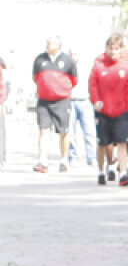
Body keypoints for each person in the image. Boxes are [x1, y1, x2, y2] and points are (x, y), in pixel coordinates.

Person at [90, 32, 128, 187]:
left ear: (121, 50)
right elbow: (93, 85)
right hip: (103, 110)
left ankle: (123, 172)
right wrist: (96, 100)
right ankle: (102, 171)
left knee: (122, 142)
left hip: (121, 111)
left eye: (115, 49)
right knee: (103, 143)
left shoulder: (126, 66)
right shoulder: (99, 64)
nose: (112, 52)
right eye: (110, 48)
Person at [32, 36, 77, 173]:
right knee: (43, 129)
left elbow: (74, 79)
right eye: (47, 43)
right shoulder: (40, 59)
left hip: (62, 100)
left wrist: (61, 89)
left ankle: (64, 160)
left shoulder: (67, 60)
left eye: (50, 43)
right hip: (44, 100)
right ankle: (43, 160)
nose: (47, 45)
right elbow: (35, 77)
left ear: (58, 45)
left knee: (63, 131)